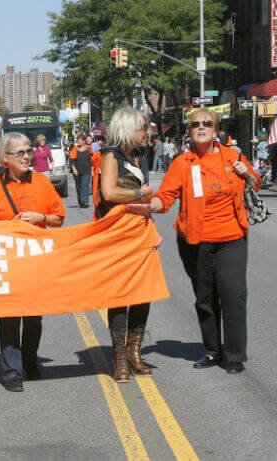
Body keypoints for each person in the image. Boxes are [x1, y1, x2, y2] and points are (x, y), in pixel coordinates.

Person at [138, 108, 261, 375]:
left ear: (216, 130)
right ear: (190, 131)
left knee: (233, 295)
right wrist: (149, 206)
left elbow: (256, 182)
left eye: (207, 123)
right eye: (196, 124)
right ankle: (213, 351)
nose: (201, 127)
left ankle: (235, 355)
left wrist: (247, 173)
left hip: (232, 238)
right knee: (205, 298)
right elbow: (166, 195)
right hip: (195, 241)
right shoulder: (184, 163)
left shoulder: (234, 157)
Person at [0, 132, 65, 392]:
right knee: (10, 319)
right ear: (4, 159)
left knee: (34, 318)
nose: (26, 156)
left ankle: (30, 361)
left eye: (28, 151)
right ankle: (11, 371)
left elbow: (58, 218)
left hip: (36, 264)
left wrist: (41, 217)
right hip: (7, 265)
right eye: (20, 152)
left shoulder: (43, 183)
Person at [93, 107, 153, 383]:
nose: (147, 132)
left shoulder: (136, 157)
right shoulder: (110, 156)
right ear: (128, 129)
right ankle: (119, 357)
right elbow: (109, 192)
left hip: (140, 233)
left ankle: (134, 350)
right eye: (143, 128)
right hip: (117, 235)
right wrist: (140, 193)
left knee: (142, 292)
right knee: (119, 296)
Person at [70, 136, 93, 208]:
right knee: (79, 187)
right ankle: (81, 202)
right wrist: (74, 169)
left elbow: (92, 159)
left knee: (85, 186)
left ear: (83, 141)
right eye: (78, 140)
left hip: (86, 170)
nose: (78, 141)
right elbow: (71, 160)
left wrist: (92, 170)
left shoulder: (89, 149)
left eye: (80, 140)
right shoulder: (75, 149)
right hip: (77, 171)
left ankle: (85, 201)